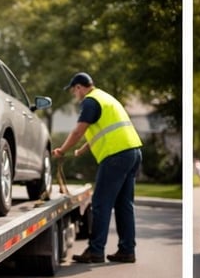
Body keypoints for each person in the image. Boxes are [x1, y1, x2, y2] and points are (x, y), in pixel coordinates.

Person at [53, 72, 143, 264]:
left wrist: (62, 150)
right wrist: (82, 150)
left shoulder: (90, 102)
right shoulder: (106, 98)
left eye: (73, 91)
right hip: (133, 152)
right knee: (124, 205)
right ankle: (127, 250)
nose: (74, 95)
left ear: (79, 87)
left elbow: (78, 131)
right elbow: (103, 131)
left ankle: (95, 251)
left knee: (101, 203)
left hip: (116, 156)